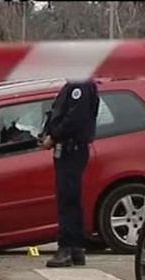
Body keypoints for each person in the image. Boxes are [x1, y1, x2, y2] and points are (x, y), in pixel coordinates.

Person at [41, 79, 100, 268]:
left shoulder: (79, 86)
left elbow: (75, 118)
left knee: (67, 199)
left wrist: (55, 135)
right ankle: (75, 249)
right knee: (71, 198)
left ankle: (66, 248)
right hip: (69, 148)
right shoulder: (75, 85)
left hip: (70, 148)